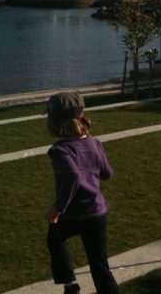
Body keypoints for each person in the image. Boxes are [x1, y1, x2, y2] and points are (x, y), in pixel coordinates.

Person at [45, 92, 120, 294]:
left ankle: (70, 284)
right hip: (97, 212)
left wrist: (58, 207)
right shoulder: (94, 142)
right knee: (99, 264)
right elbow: (107, 174)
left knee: (55, 239)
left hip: (73, 213)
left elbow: (72, 177)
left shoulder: (60, 150)